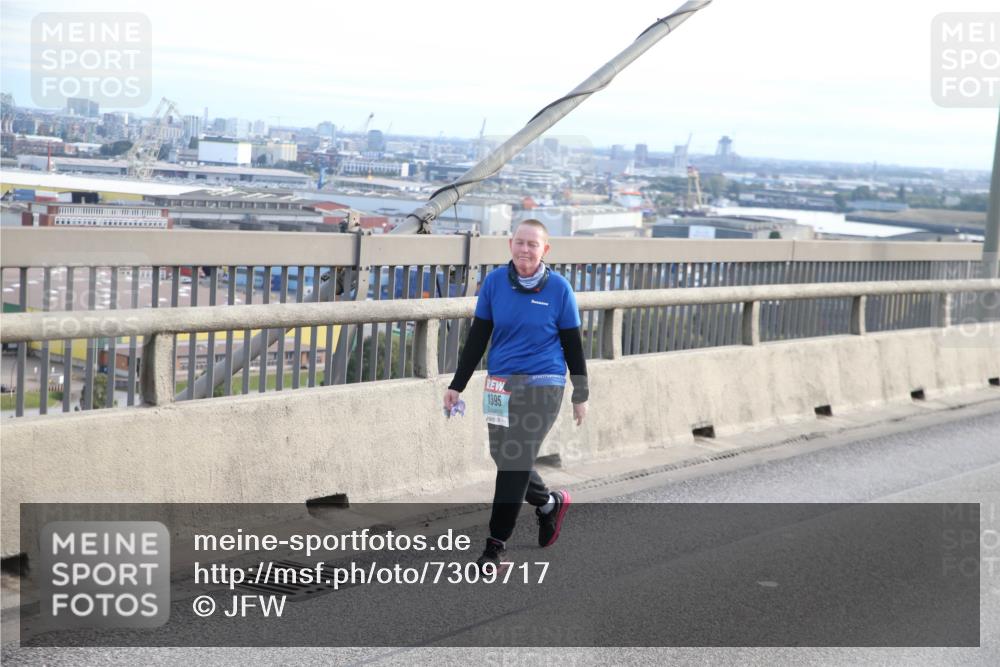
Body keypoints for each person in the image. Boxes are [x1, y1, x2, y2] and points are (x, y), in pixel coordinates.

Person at [443, 219, 589, 572]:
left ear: (545, 250)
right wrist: (457, 384)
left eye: (533, 244)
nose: (525, 250)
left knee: (516, 455)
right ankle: (549, 504)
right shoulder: (494, 283)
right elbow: (478, 338)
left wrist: (580, 392)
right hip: (499, 383)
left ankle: (496, 544)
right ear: (510, 244)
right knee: (503, 454)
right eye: (520, 243)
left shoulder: (559, 289)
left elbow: (572, 344)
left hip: (544, 382)